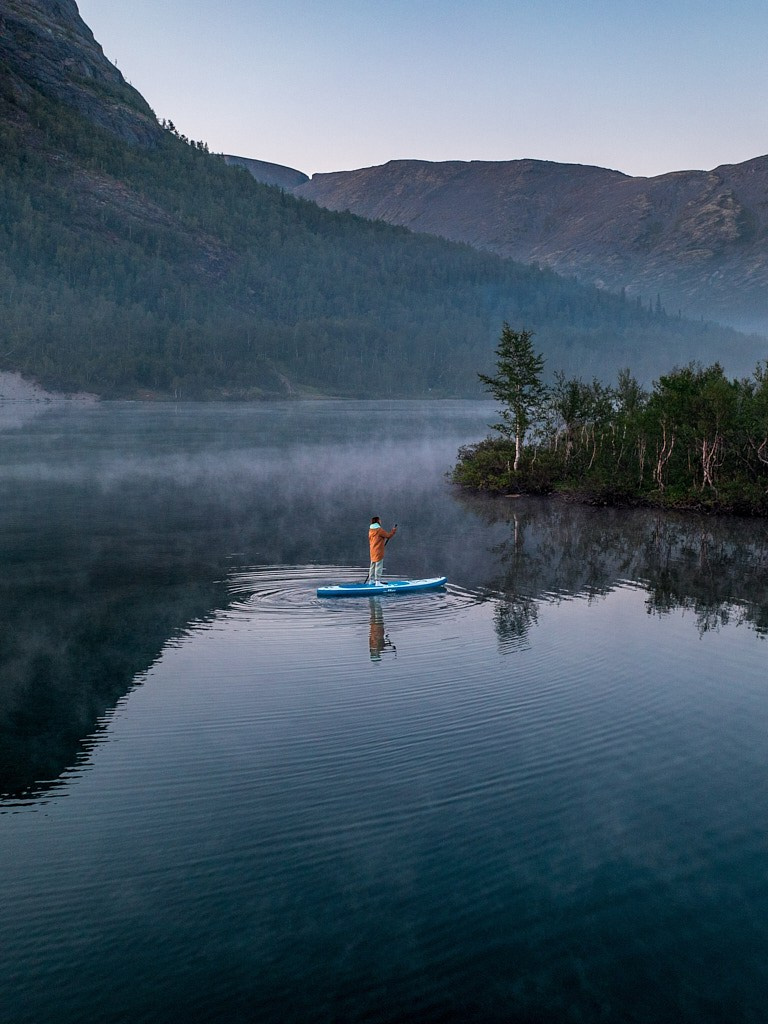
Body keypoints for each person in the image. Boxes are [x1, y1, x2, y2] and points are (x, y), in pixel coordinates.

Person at [368, 515, 397, 584]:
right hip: (378, 550)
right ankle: (377, 581)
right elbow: (388, 536)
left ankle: (371, 580)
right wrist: (393, 531)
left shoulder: (370, 530)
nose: (381, 521)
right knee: (379, 565)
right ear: (378, 521)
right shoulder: (379, 530)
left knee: (372, 565)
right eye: (380, 520)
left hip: (372, 550)